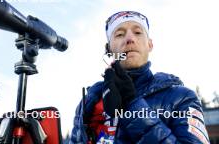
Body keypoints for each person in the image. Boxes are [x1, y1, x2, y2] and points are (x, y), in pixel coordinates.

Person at [69, 11, 210, 144]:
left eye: (137, 32)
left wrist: (132, 106)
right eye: (119, 34)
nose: (130, 39)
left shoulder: (181, 97)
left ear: (150, 44)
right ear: (109, 49)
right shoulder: (88, 102)